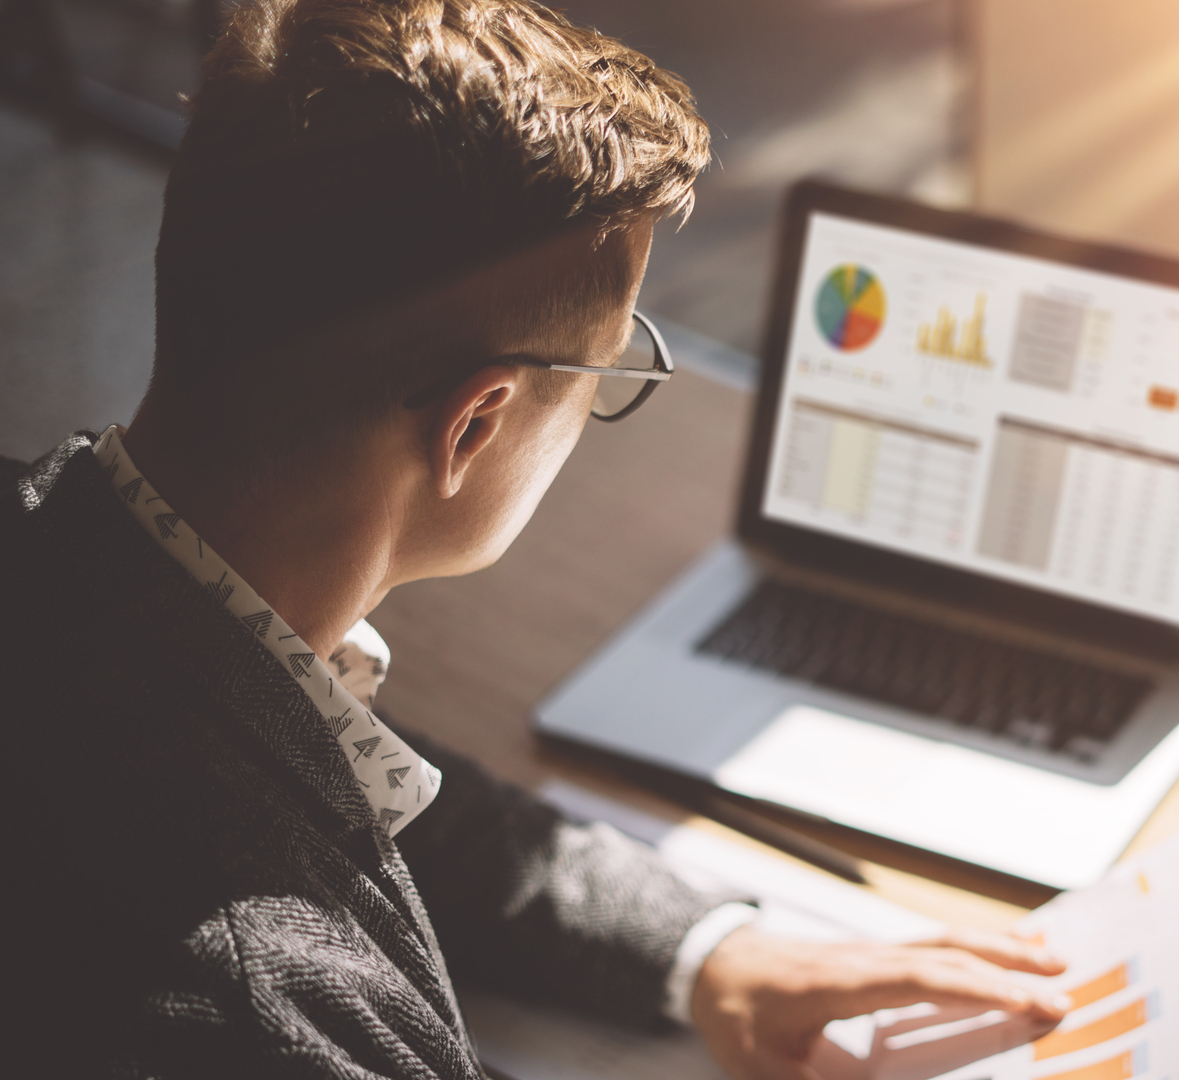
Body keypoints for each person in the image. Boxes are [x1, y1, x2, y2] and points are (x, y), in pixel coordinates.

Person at [0, 0, 1068, 1075]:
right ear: (476, 424)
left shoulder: (70, 559)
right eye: (610, 369)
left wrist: (705, 950)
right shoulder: (265, 1009)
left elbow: (329, 782)